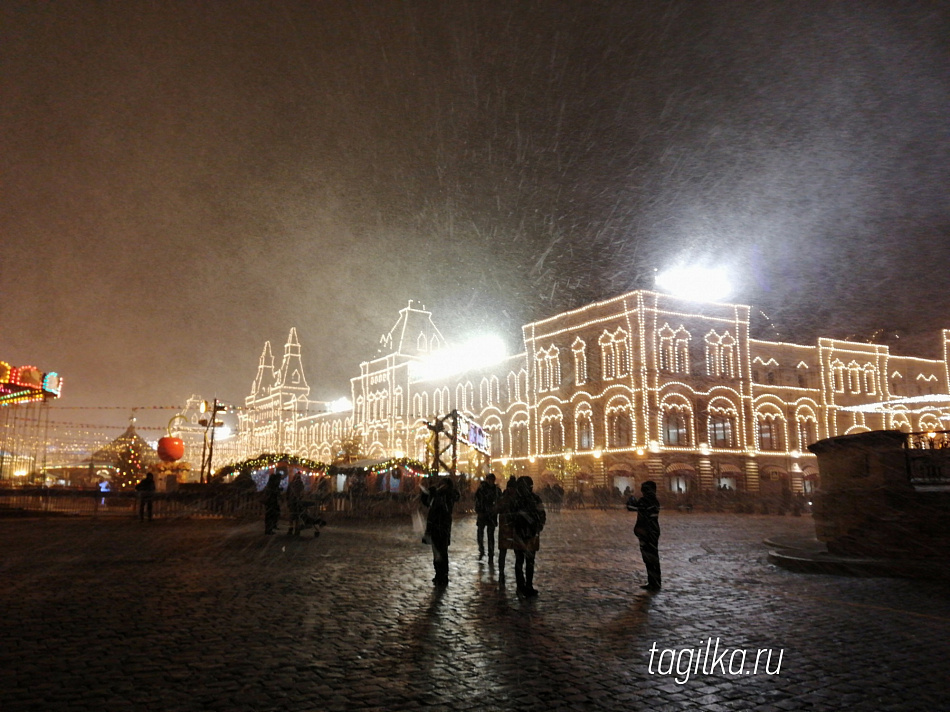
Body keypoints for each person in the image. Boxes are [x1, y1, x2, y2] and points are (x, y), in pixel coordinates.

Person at [420, 476, 460, 586]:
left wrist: (440, 492)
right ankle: (438, 574)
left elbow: (454, 497)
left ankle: (443, 575)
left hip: (443, 526)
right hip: (434, 526)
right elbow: (426, 501)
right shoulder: (437, 494)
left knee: (442, 552)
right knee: (436, 552)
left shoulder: (448, 495)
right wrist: (428, 491)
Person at [510, 476, 546, 598]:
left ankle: (523, 586)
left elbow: (541, 514)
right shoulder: (534, 499)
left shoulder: (517, 500)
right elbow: (542, 513)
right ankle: (525, 586)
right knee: (527, 561)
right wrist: (538, 525)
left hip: (524, 533)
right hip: (528, 533)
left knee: (521, 561)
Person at [626, 480, 661, 591]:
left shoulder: (645, 500)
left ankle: (653, 582)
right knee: (653, 557)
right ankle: (655, 581)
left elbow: (633, 508)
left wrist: (630, 501)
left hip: (646, 532)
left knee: (648, 558)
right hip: (653, 531)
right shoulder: (654, 500)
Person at [474, 473, 502, 561]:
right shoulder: (481, 489)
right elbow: (477, 500)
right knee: (480, 533)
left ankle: (490, 552)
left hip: (491, 515)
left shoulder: (496, 490)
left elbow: (499, 501)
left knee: (490, 535)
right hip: (483, 514)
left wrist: (496, 509)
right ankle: (482, 549)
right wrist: (479, 511)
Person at [496, 476, 518, 581]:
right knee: (503, 552)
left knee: (517, 553)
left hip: (513, 528)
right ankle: (501, 572)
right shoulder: (505, 498)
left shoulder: (515, 498)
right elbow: (497, 509)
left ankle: (517, 575)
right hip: (506, 528)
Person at [263, 470, 283, 535]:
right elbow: (273, 492)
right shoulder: (272, 486)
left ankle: (270, 528)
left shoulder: (271, 485)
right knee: (271, 515)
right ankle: (269, 529)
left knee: (271, 515)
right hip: (271, 502)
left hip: (271, 502)